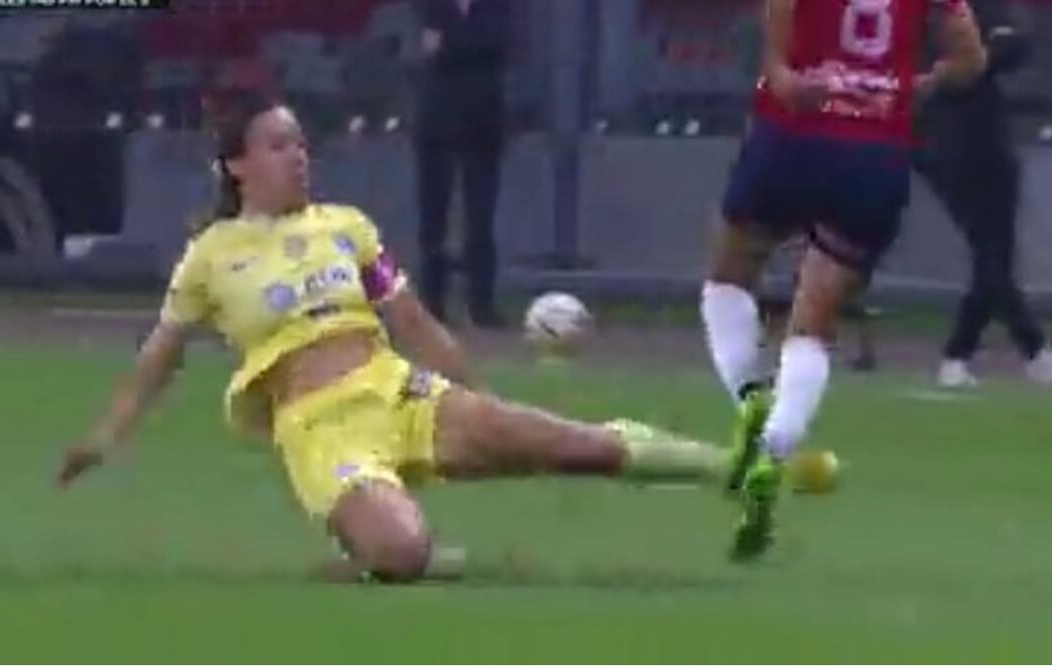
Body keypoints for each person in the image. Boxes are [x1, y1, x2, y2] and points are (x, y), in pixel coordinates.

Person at [55, 91, 749, 583]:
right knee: (402, 553)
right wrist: (103, 437)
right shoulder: (211, 255)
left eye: (300, 143)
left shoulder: (346, 227)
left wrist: (477, 399)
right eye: (277, 145)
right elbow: (160, 358)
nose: (298, 157)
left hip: (398, 390)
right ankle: (379, 541)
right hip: (321, 430)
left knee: (570, 445)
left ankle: (734, 469)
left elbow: (411, 319)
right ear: (237, 165)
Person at [700, 0, 986, 560]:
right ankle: (776, 451)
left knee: (727, 279)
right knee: (815, 317)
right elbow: (971, 58)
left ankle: (750, 397)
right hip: (874, 151)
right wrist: (919, 83)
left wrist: (780, 70)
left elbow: (779, 19)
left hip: (792, 134)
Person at [914, 0, 1052, 389]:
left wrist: (977, 58)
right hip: (942, 148)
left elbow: (1018, 46)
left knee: (994, 256)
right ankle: (1030, 351)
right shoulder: (910, 16)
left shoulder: (979, 8)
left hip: (991, 142)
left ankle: (964, 356)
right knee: (990, 253)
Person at [413, 0, 509, 327]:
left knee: (480, 218)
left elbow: (498, 42)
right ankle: (433, 303)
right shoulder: (429, 6)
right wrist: (467, 42)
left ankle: (481, 304)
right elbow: (422, 50)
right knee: (433, 221)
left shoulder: (498, 7)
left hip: (483, 123)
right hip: (436, 123)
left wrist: (449, 43)